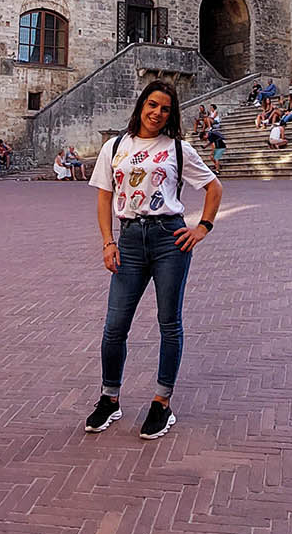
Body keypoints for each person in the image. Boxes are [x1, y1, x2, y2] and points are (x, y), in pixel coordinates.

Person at [85, 80, 222, 441]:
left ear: (171, 114)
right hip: (128, 239)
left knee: (168, 322)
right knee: (115, 325)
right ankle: (109, 398)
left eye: (165, 108)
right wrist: (107, 242)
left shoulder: (178, 149)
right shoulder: (115, 146)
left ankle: (162, 403)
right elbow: (104, 197)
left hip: (168, 239)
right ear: (141, 105)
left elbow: (214, 187)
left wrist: (202, 227)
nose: (157, 113)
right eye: (152, 105)